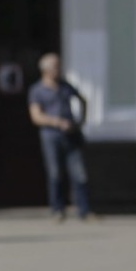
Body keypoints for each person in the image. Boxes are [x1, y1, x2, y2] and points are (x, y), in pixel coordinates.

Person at [27, 52, 90, 221]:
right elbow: (36, 116)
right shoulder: (37, 90)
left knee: (79, 173)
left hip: (71, 135)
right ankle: (57, 209)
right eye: (55, 67)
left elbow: (83, 100)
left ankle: (84, 210)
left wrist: (80, 121)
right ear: (45, 70)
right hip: (51, 136)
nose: (59, 70)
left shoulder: (66, 86)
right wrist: (57, 122)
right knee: (55, 173)